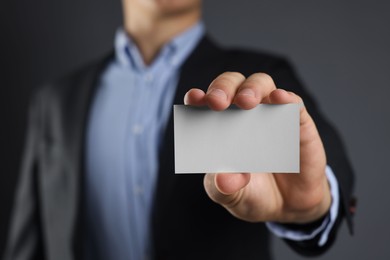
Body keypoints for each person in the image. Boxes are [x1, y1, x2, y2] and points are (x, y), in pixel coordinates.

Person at [3, 0, 355, 259]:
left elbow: (328, 162)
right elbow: (28, 242)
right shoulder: (56, 101)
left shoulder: (261, 75)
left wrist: (312, 206)